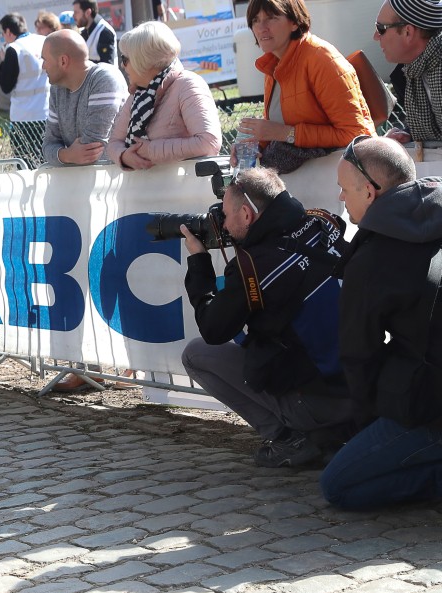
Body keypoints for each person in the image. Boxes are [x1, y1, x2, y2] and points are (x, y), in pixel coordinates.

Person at [180, 167, 354, 467]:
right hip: (368, 384)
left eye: (225, 214)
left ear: (247, 215)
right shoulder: (320, 221)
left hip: (319, 400)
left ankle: (290, 440)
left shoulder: (252, 268)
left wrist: (198, 262)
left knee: (196, 354)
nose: (222, 222)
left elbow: (213, 329)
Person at [320, 136, 442, 508]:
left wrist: (365, 427)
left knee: (338, 485)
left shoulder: (371, 258)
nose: (342, 198)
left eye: (344, 189)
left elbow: (359, 355)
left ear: (370, 192)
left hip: (431, 406)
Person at [235, 0, 374, 173]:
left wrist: (287, 134)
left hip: (343, 181)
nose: (261, 27)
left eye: (271, 18)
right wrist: (255, 146)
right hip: (309, 183)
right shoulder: (273, 63)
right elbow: (278, 126)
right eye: (255, 20)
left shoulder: (322, 59)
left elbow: (356, 134)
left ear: (294, 22)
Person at [105, 21, 221, 169]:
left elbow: (209, 143)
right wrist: (124, 156)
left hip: (184, 190)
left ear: (144, 61)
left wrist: (150, 150)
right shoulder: (138, 94)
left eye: (126, 59)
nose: (122, 65)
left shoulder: (188, 85)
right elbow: (114, 142)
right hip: (142, 190)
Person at [41, 29, 128, 166]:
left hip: (115, 182)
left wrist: (62, 155)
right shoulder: (56, 89)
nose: (42, 66)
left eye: (45, 60)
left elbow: (92, 150)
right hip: (79, 183)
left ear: (63, 61)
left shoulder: (105, 79)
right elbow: (47, 146)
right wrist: (67, 155)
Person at [374, 0, 442, 143]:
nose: (375, 37)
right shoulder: (411, 71)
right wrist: (407, 134)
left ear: (407, 32)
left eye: (381, 29)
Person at [0, 13, 50, 168]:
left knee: (25, 161)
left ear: (8, 32)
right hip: (47, 111)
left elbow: (6, 86)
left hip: (23, 116)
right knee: (47, 159)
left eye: (2, 33)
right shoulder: (43, 40)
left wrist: (3, 63)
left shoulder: (13, 49)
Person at [72, 0, 117, 65]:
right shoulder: (85, 32)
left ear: (88, 12)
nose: (73, 16)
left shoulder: (104, 32)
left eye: (76, 12)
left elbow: (107, 65)